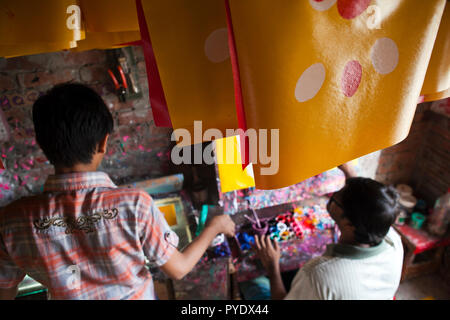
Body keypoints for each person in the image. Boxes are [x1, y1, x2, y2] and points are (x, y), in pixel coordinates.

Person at [0, 83, 235, 300]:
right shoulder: (134, 204)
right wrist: (214, 226)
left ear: (42, 145)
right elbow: (178, 268)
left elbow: (5, 290)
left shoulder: (11, 221)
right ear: (103, 143)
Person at [253, 163, 404, 300]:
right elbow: (370, 206)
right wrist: (348, 170)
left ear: (348, 223)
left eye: (336, 199)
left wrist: (272, 267)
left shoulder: (318, 274)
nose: (333, 194)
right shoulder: (392, 240)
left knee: (254, 282)